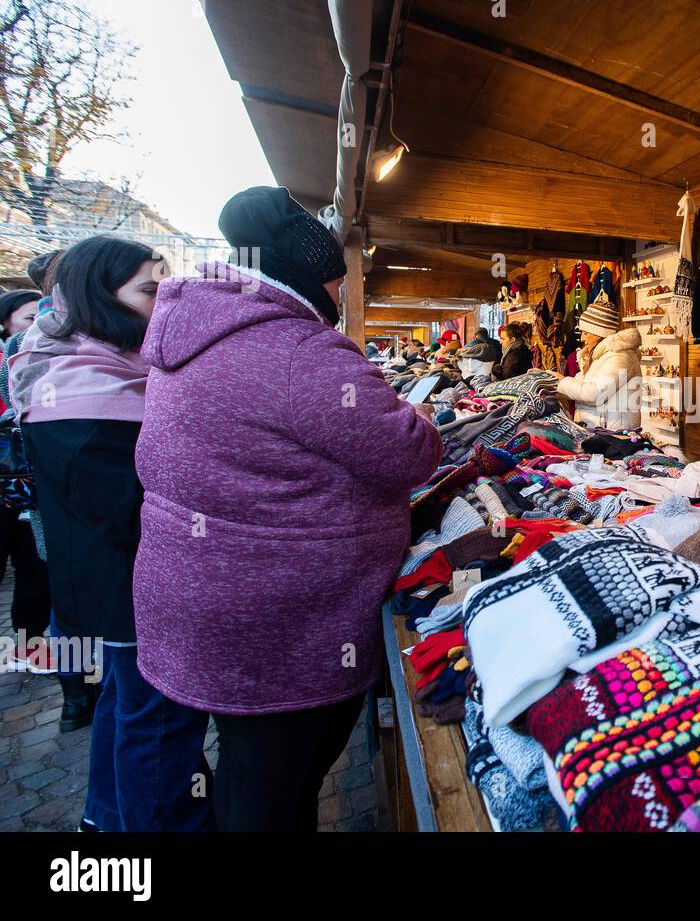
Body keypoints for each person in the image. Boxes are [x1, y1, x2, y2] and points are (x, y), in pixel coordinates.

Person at [132, 186, 443, 832]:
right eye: (337, 283)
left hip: (212, 599)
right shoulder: (297, 351)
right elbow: (407, 456)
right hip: (275, 626)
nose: (340, 299)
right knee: (272, 788)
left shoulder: (200, 330)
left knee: (258, 776)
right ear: (309, 279)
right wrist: (418, 414)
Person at [7, 235, 214, 831]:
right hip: (131, 586)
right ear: (103, 296)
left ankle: (103, 817)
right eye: (150, 291)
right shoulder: (87, 388)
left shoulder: (84, 365)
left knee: (126, 704)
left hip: (110, 584)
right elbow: (130, 504)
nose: (164, 302)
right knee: (160, 719)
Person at [0, 286, 53, 673]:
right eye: (28, 318)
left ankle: (28, 650)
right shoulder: (13, 361)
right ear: (7, 324)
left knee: (34, 569)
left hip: (27, 485)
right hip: (9, 482)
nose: (37, 324)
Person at [555, 294, 642, 429]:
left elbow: (595, 394)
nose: (582, 339)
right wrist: (550, 381)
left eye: (586, 333)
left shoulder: (621, 357)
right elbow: (581, 386)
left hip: (613, 437)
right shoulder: (597, 356)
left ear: (600, 333)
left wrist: (561, 382)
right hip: (599, 433)